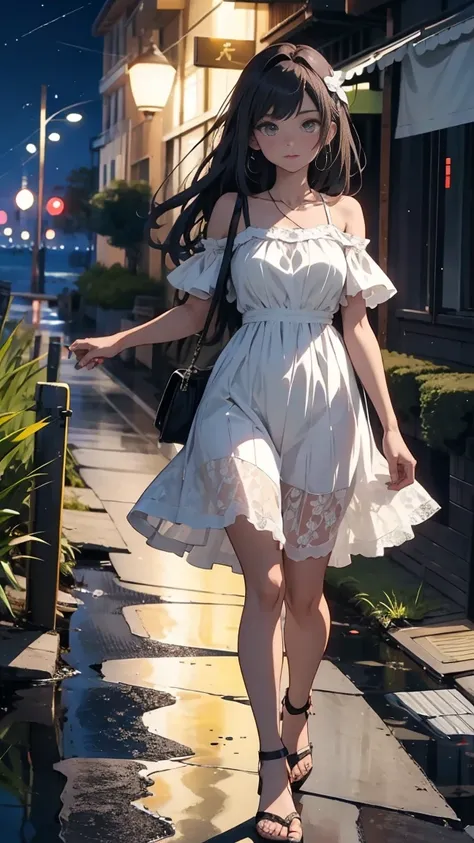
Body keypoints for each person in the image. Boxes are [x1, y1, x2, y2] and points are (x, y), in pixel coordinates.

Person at [70, 44, 439, 843]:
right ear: (254, 134)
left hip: (327, 409)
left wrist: (391, 427)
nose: (290, 138)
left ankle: (298, 712)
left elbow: (357, 327)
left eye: (306, 122)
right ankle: (272, 761)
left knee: (306, 598)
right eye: (273, 125)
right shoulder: (236, 211)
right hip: (239, 397)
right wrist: (118, 341)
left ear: (326, 125)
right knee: (264, 583)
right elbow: (196, 315)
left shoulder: (345, 215)